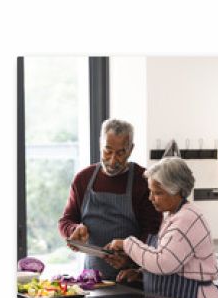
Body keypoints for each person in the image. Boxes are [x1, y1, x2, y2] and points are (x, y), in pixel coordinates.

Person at [106, 156, 218, 298]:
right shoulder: (173, 215)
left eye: (158, 193)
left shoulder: (187, 219)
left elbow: (163, 262)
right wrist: (142, 274)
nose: (151, 198)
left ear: (178, 191)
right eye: (151, 191)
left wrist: (127, 244)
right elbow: (178, 263)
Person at [58, 118, 162, 280]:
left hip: (132, 278)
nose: (113, 160)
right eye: (108, 151)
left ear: (131, 149)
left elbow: (152, 234)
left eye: (120, 153)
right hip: (92, 279)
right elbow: (66, 220)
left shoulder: (143, 181)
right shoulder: (83, 179)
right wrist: (74, 230)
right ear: (101, 145)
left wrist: (130, 260)